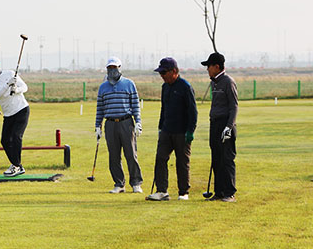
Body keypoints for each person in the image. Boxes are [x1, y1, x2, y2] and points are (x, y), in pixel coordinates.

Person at [146, 57, 197, 201]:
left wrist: (190, 131)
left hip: (182, 132)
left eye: (164, 73)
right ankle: (162, 191)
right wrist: (160, 127)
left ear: (174, 71)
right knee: (160, 159)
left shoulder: (185, 87)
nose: (162, 76)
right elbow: (164, 109)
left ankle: (183, 192)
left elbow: (193, 112)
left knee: (182, 162)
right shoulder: (165, 87)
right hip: (166, 131)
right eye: (160, 73)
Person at [95, 57, 144, 193]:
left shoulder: (129, 84)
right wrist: (97, 126)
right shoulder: (103, 87)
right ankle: (119, 184)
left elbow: (135, 105)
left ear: (119, 68)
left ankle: (136, 183)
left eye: (114, 68)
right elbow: (100, 108)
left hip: (126, 123)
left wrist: (138, 122)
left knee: (131, 154)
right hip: (110, 124)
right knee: (114, 156)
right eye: (110, 68)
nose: (112, 70)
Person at [0, 56, 29, 177]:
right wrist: (8, 84)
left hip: (21, 109)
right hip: (8, 114)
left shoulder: (10, 73)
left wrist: (16, 89)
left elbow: (25, 87)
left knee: (16, 136)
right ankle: (17, 165)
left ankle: (16, 166)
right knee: (4, 141)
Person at [201, 52, 238, 202]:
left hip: (226, 124)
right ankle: (219, 192)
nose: (207, 69)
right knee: (216, 158)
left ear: (217, 66)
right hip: (215, 124)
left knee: (227, 159)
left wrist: (229, 127)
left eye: (208, 66)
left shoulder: (228, 81)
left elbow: (234, 107)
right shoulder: (214, 82)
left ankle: (229, 193)